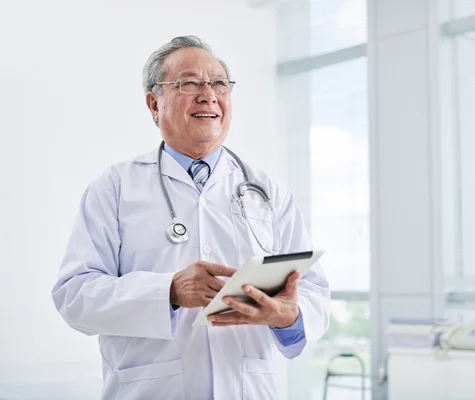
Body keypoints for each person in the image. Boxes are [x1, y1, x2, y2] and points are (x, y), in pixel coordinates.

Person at [51, 35, 330, 400]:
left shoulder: (268, 191)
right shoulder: (115, 187)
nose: (209, 95)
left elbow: (313, 291)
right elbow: (75, 295)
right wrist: (168, 291)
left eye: (218, 83)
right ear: (154, 103)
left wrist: (289, 316)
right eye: (189, 83)